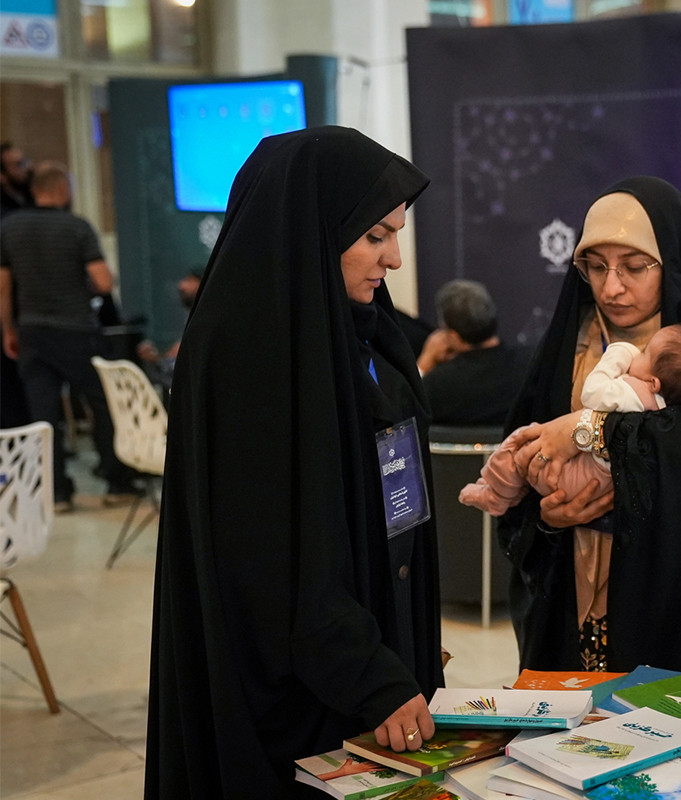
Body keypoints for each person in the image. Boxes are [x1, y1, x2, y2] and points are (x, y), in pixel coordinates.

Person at [145, 126, 445, 798]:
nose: (394, 258)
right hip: (291, 696)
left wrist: (406, 637)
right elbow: (262, 557)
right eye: (375, 236)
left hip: (370, 657)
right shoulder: (246, 353)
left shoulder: (364, 330)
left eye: (396, 234)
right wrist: (367, 669)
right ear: (315, 228)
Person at [497, 176, 681, 674]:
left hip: (669, 598)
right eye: (596, 267)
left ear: (672, 262)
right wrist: (548, 518)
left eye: (633, 267)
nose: (611, 287)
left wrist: (588, 427)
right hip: (572, 588)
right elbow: (523, 455)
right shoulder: (572, 339)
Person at [460, 321, 681, 515]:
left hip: (576, 478)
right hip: (596, 481)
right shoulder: (664, 408)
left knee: (520, 442)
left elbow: (592, 393)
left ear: (654, 383)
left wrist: (618, 352)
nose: (638, 352)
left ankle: (495, 494)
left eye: (646, 352)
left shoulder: (635, 393)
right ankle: (514, 489)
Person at [0, 161, 137, 510]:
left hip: (31, 331)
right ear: (63, 190)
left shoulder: (9, 227)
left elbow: (3, 286)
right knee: (101, 404)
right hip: (76, 330)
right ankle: (117, 482)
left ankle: (56, 492)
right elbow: (103, 282)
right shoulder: (76, 227)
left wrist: (8, 329)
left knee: (43, 414)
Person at [418, 278, 531, 425]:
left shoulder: (436, 385)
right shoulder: (530, 366)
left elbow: (406, 412)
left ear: (453, 336)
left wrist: (424, 363)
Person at [136, 269, 201, 391]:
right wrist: (157, 358)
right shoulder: (191, 317)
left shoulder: (205, 321)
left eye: (190, 280)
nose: (181, 285)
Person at [0, 142, 33, 217]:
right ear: (2, 175)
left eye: (26, 161)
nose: (28, 167)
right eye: (19, 164)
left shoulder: (32, 195)